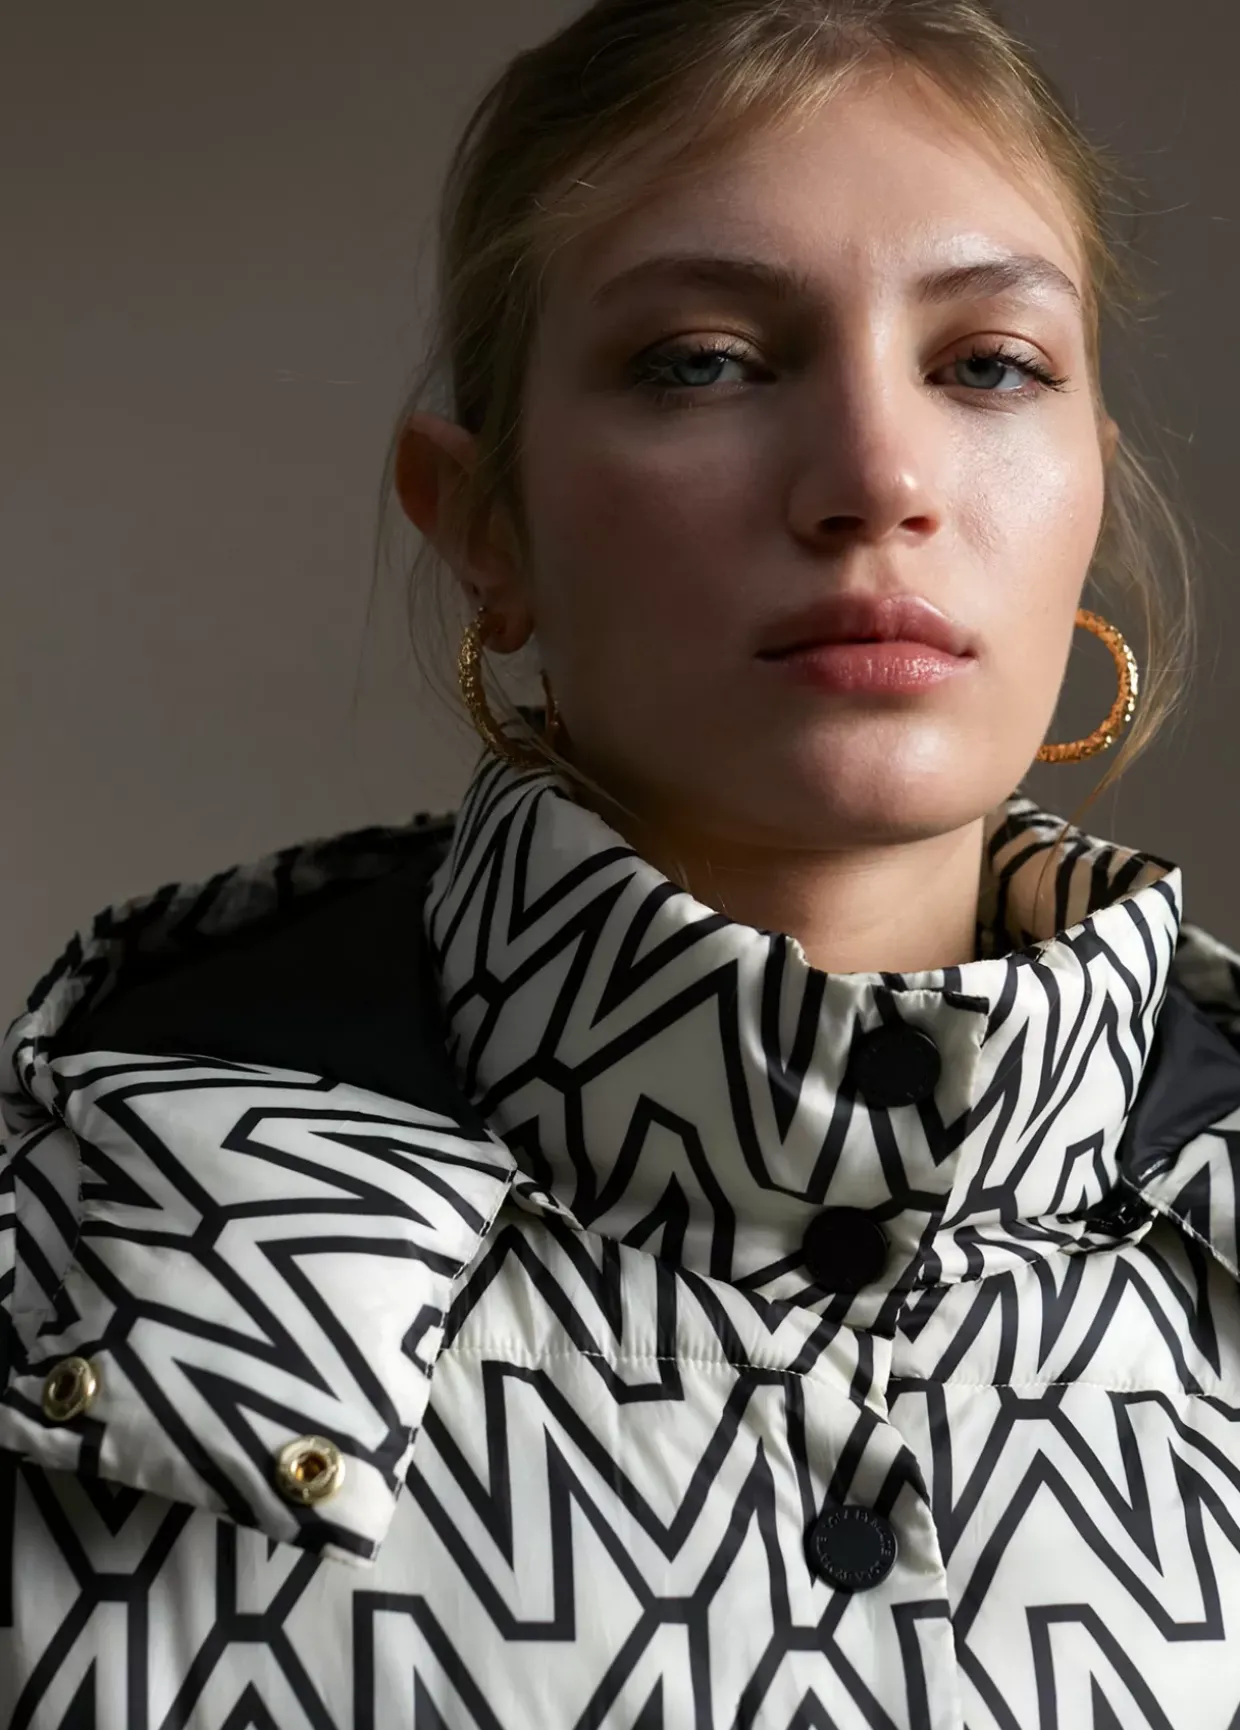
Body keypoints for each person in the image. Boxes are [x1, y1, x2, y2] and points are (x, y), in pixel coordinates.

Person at [2, 0, 1237, 1724]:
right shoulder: (68, 1269)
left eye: (987, 366)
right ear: (481, 521)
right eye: (705, 360)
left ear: (1090, 491)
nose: (879, 476)